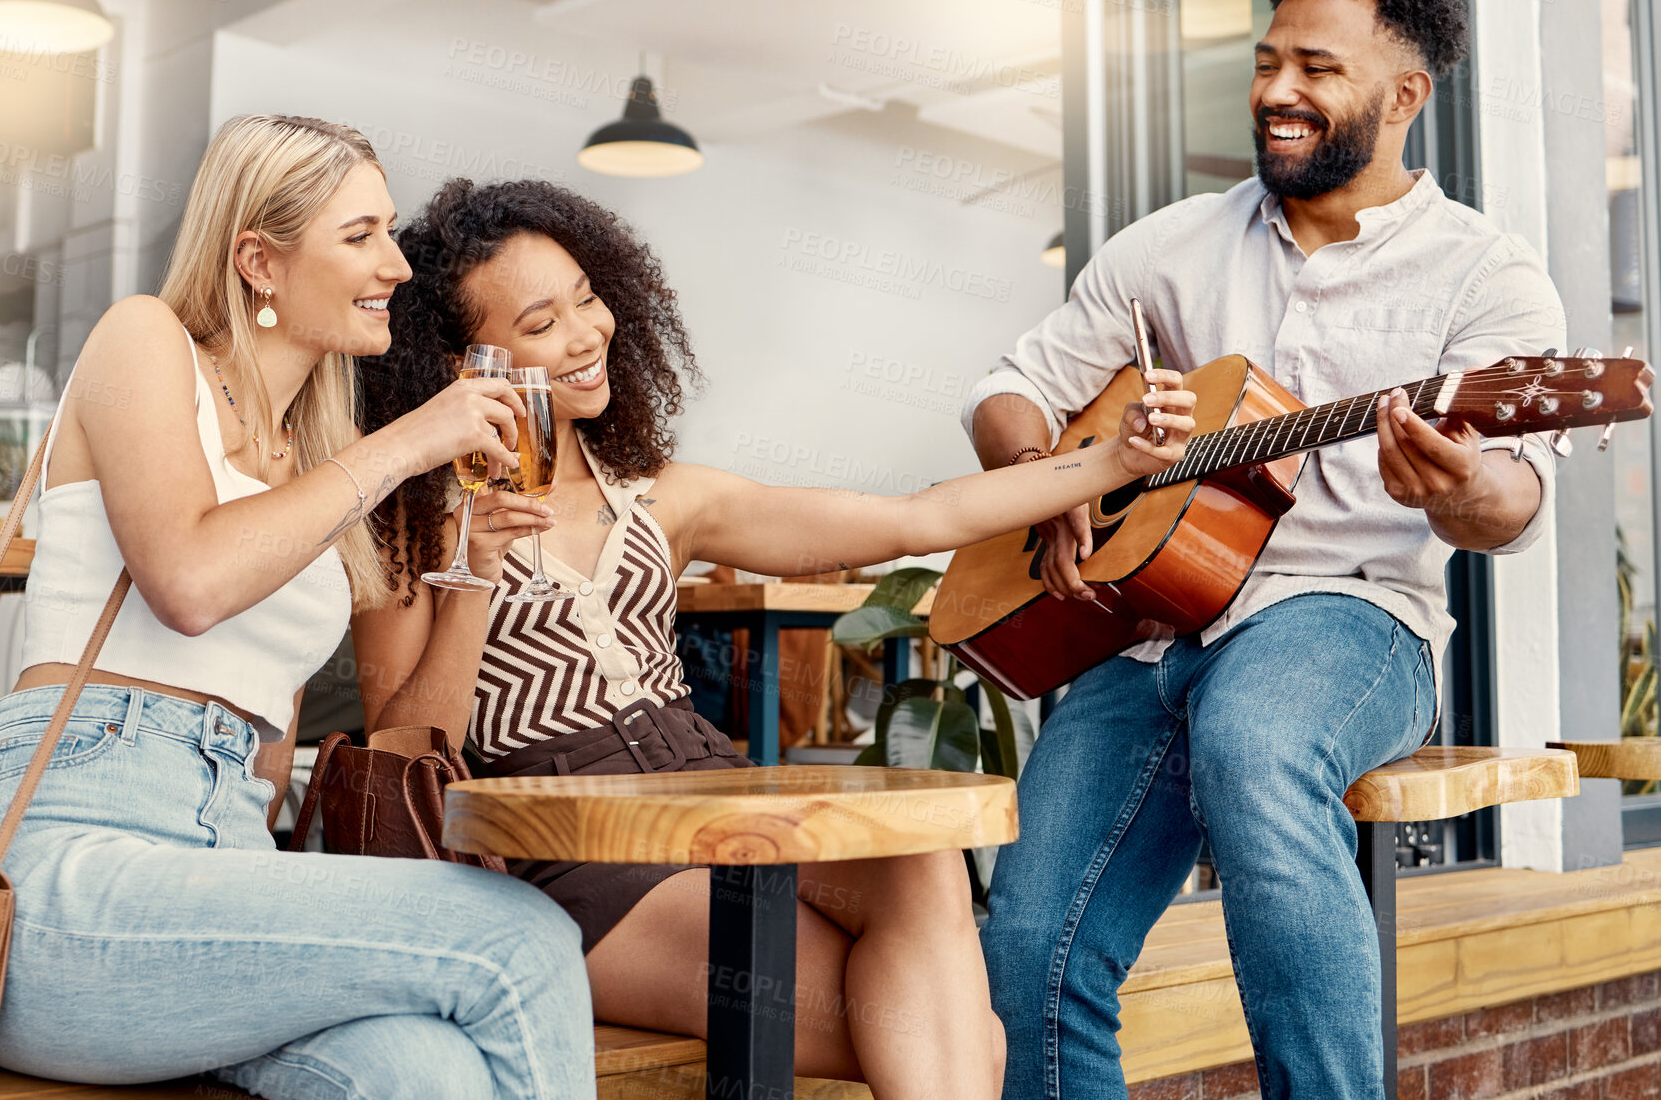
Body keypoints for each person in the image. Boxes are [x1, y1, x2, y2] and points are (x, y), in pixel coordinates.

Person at [349, 176, 1197, 1099]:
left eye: (588, 299)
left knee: (921, 869)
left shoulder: (664, 496)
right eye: (541, 324)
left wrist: (1113, 461)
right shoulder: (408, 518)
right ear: (466, 366)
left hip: (705, 789)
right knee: (957, 1036)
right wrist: (472, 573)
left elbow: (913, 520)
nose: (587, 334)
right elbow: (404, 747)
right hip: (563, 852)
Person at [964, 0, 1566, 1099]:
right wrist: (1053, 479)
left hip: (1348, 617)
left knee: (1255, 737)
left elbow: (1512, 503)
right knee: (1032, 943)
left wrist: (1458, 488)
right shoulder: (1169, 244)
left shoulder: (1484, 275)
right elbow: (1008, 387)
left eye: (1315, 69)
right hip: (1141, 628)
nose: (1276, 93)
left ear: (1404, 95)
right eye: (1265, 61)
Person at [0, 115, 594, 1100]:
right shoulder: (145, 341)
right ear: (258, 262)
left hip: (232, 859)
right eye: (359, 237)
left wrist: (470, 562)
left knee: (425, 1072)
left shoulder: (316, 457)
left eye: (390, 232)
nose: (397, 264)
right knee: (516, 934)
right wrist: (406, 442)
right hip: (67, 864)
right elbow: (187, 582)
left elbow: (308, 730)